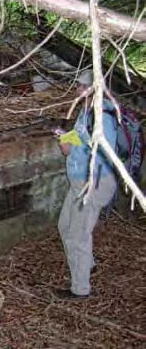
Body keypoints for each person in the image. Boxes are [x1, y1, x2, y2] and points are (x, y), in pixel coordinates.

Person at [55, 70, 120, 299]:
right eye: (78, 86)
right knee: (65, 226)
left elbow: (104, 151)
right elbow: (80, 136)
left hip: (92, 183)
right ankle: (87, 263)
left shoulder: (104, 117)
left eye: (82, 87)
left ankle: (80, 289)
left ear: (94, 89)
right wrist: (66, 139)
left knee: (77, 235)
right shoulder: (85, 111)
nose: (78, 91)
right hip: (78, 182)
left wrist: (74, 149)